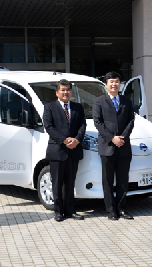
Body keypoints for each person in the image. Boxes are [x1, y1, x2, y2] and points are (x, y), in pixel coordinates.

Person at [92, 71, 135, 220]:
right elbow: (98, 122)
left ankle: (122, 209)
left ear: (120, 84)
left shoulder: (126, 101)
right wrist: (112, 138)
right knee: (108, 181)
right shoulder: (99, 101)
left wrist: (122, 138)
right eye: (111, 81)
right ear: (105, 85)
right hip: (107, 147)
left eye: (117, 81)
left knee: (123, 180)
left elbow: (131, 121)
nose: (114, 84)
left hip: (124, 146)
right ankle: (111, 210)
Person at [43, 79, 86, 222]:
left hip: (74, 150)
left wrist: (77, 140)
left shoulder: (78, 107)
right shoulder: (49, 107)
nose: (65, 92)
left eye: (68, 89)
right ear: (57, 92)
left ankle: (70, 210)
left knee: (70, 183)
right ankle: (58, 211)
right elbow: (49, 127)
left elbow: (82, 126)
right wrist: (65, 140)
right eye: (63, 89)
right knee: (57, 183)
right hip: (57, 151)